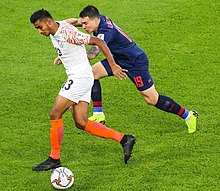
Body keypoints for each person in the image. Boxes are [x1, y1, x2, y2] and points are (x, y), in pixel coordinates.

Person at [63, 5, 198, 133]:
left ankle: (188, 115)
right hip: (119, 58)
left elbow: (93, 52)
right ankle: (98, 113)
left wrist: (72, 58)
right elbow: (75, 21)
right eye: (84, 23)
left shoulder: (106, 31)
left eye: (86, 24)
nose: (84, 26)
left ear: (95, 19)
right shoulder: (98, 18)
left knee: (151, 99)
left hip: (135, 62)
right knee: (92, 74)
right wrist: (55, 26)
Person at [30, 9, 136, 171]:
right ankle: (124, 139)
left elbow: (99, 42)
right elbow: (70, 21)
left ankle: (54, 158)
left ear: (49, 22)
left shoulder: (67, 34)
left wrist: (113, 65)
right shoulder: (58, 26)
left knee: (54, 114)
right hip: (83, 76)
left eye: (40, 27)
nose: (39, 31)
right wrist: (64, 54)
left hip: (79, 78)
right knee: (81, 122)